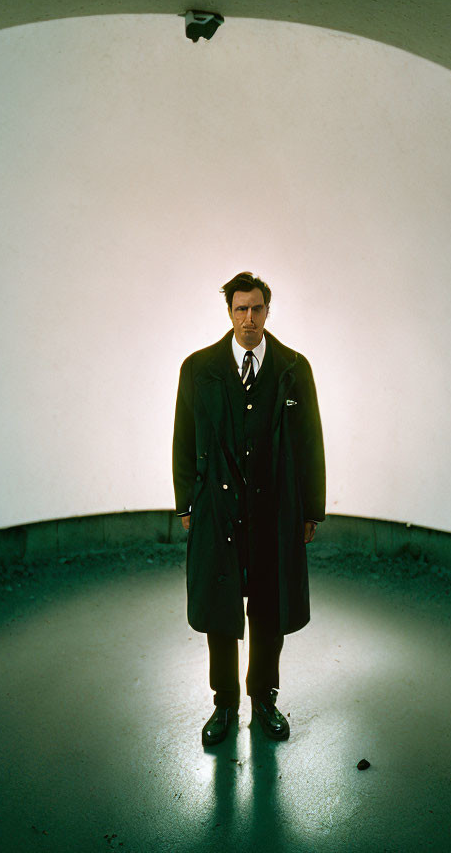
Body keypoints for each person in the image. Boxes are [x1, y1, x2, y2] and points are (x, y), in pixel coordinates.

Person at [172, 272, 326, 747]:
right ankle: (224, 704)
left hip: (274, 511)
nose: (249, 319)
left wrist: (310, 511)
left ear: (267, 311)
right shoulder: (198, 369)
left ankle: (264, 699)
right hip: (218, 510)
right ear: (229, 313)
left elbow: (309, 442)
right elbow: (182, 439)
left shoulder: (293, 367)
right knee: (220, 612)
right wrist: (186, 505)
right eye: (240, 309)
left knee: (267, 610)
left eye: (257, 309)